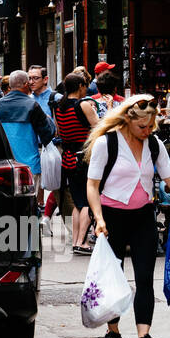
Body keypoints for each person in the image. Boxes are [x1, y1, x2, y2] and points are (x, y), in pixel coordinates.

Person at [85, 95, 170, 338]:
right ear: (128, 120)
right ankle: (112, 333)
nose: (148, 131)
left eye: (151, 127)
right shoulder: (106, 143)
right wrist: (99, 218)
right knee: (113, 278)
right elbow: (92, 185)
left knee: (145, 277)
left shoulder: (154, 145)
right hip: (111, 218)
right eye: (143, 127)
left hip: (142, 216)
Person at [54, 72, 100, 253]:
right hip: (84, 157)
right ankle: (82, 242)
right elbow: (99, 128)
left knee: (77, 201)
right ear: (80, 86)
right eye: (85, 85)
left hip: (68, 158)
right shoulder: (83, 105)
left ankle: (75, 241)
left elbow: (59, 131)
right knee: (89, 199)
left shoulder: (59, 107)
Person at [0, 71, 55, 202]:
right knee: (28, 203)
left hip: (3, 165)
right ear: (26, 84)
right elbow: (48, 133)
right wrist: (49, 119)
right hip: (28, 165)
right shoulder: (31, 105)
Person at [28, 66, 55, 131]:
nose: (31, 82)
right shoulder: (28, 99)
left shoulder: (56, 98)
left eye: (35, 78)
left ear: (45, 79)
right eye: (29, 78)